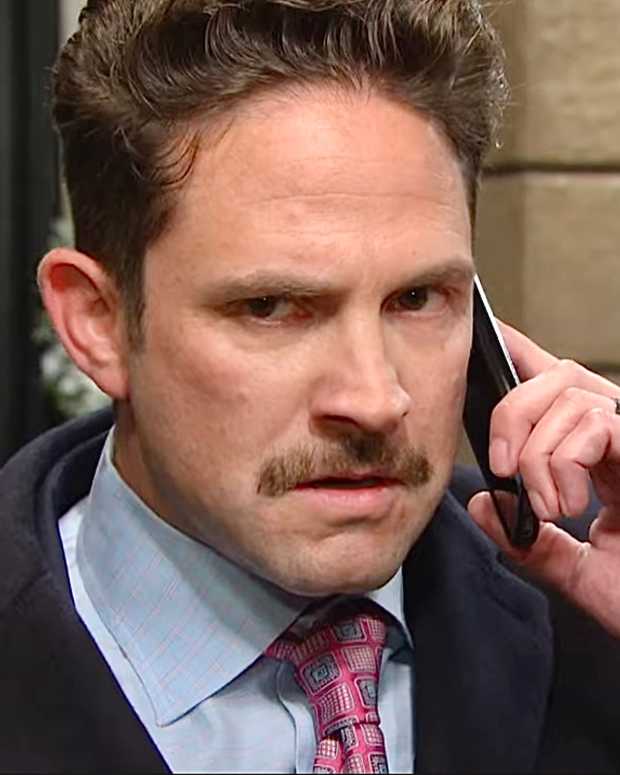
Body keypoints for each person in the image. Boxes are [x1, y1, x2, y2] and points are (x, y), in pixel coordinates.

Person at [2, 0, 620, 771]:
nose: (374, 399)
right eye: (270, 306)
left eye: (417, 298)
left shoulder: (588, 608)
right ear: (97, 321)